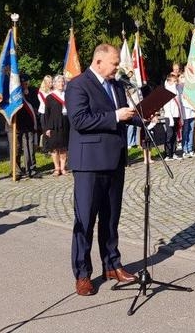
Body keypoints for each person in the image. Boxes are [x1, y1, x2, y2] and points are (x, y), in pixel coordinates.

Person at [66, 43, 140, 296]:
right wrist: (116, 117)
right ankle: (83, 274)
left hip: (115, 160)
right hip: (89, 164)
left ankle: (112, 264)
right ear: (98, 62)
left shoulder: (117, 85)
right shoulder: (78, 84)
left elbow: (125, 115)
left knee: (111, 219)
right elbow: (79, 120)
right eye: (114, 63)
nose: (117, 68)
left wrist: (146, 115)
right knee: (85, 221)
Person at [13, 73, 40, 178]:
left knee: (30, 147)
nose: (25, 83)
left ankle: (31, 169)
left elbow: (36, 105)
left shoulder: (33, 91)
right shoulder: (15, 93)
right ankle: (18, 170)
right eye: (23, 82)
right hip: (17, 124)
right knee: (17, 148)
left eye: (26, 81)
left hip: (29, 123)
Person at [43, 74, 70, 176]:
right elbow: (47, 114)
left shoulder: (67, 95)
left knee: (63, 147)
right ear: (54, 84)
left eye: (63, 81)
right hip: (53, 124)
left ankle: (63, 168)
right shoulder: (50, 97)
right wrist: (47, 128)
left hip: (65, 122)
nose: (61, 83)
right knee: (54, 148)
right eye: (59, 82)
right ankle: (56, 168)